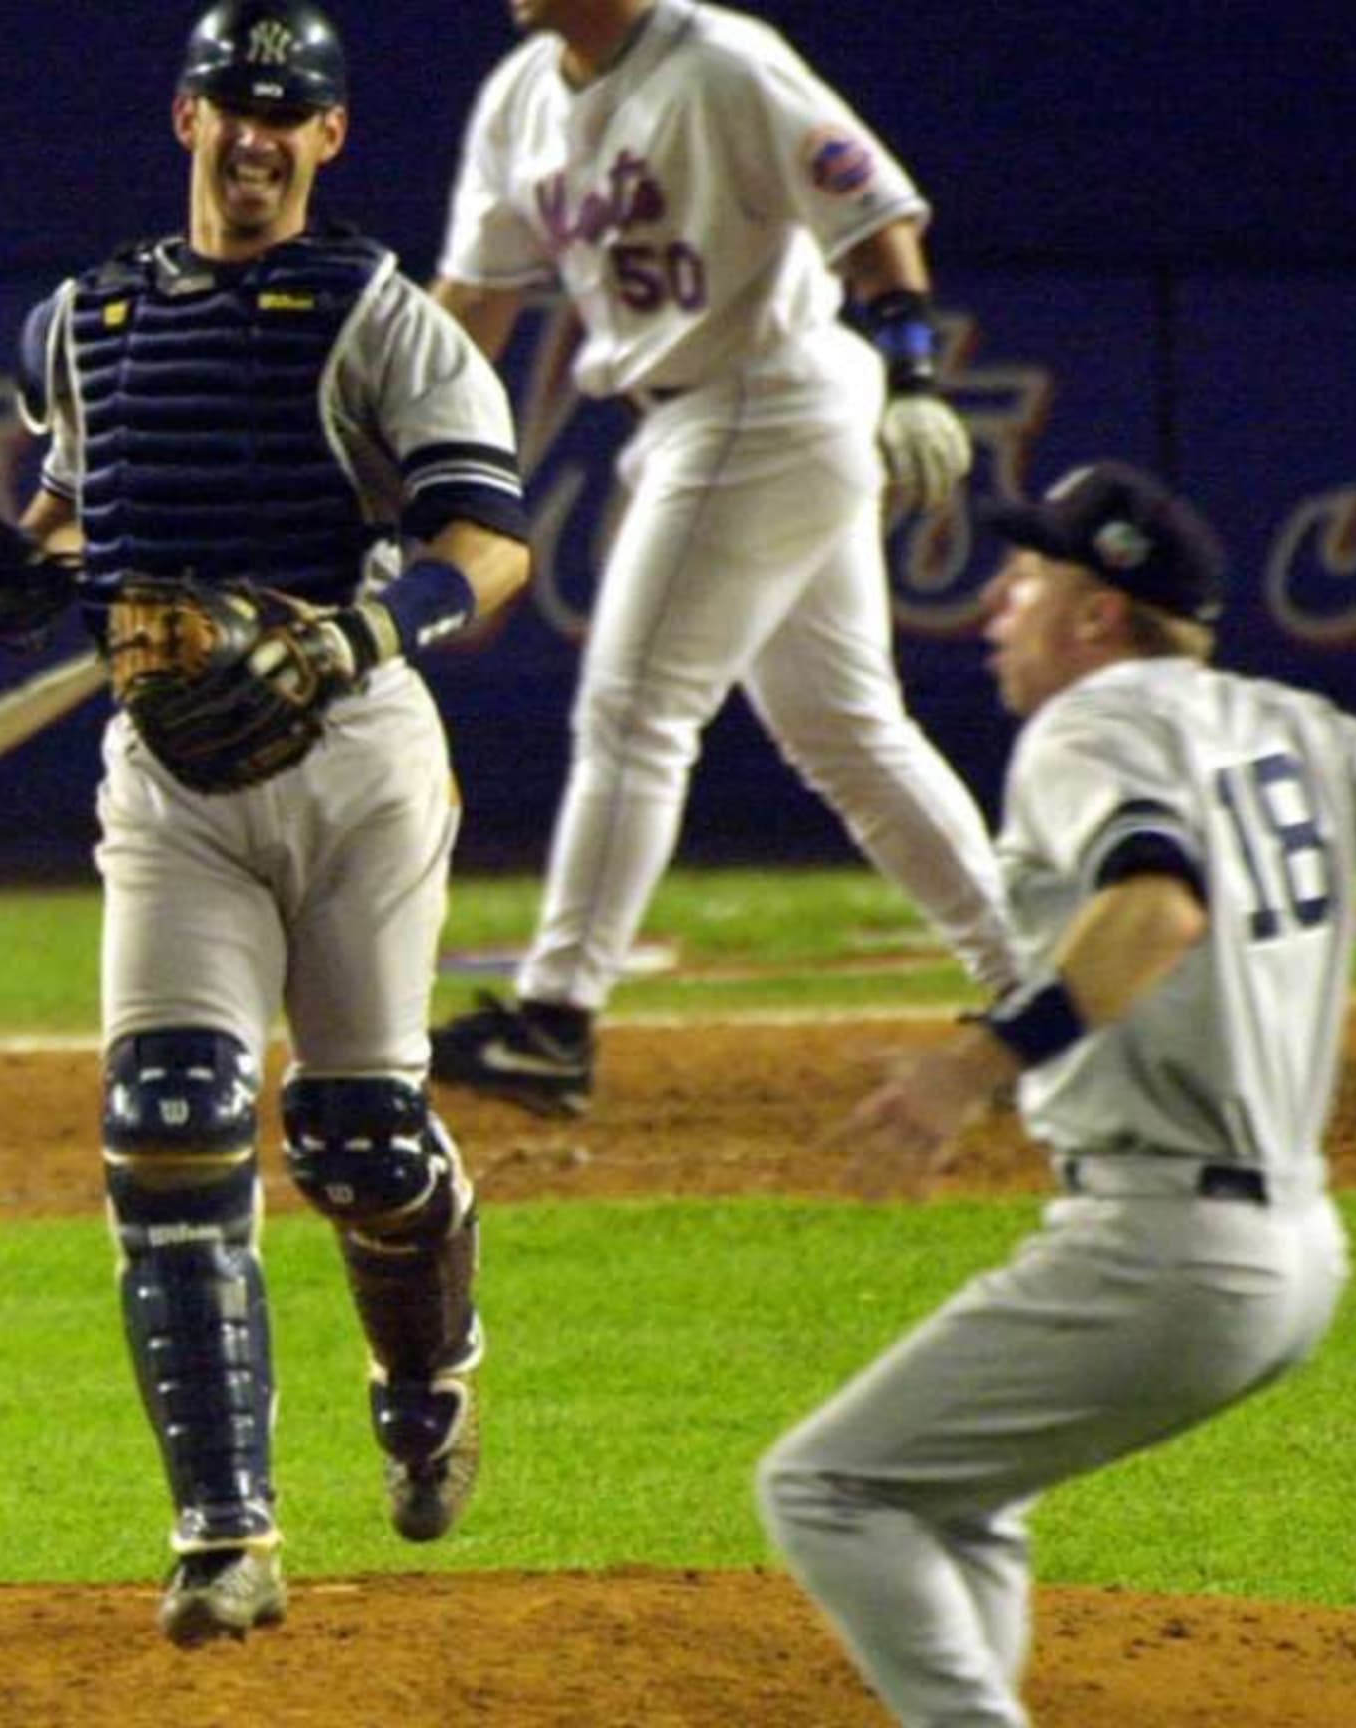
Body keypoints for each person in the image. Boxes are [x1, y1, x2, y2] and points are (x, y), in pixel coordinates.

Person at [8, 0, 534, 1647]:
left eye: (284, 109)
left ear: (327, 138)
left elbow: (487, 545)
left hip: (353, 749)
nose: (251, 130)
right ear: (182, 119)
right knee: (164, 1130)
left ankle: (423, 1365)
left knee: (359, 1142)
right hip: (169, 766)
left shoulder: (382, 314)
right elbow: (60, 521)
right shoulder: (80, 320)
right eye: (228, 101)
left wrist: (359, 634)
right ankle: (224, 1533)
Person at [756, 462, 1356, 1727]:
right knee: (958, 1496)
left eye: (1027, 580)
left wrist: (968, 1070)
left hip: (1167, 1249)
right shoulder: (1297, 722)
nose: (996, 609)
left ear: (1097, 617)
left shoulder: (1093, 725)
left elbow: (1155, 900)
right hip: (1296, 1251)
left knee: (826, 1487)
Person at [424, 0, 1017, 1118]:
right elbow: (474, 298)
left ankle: (555, 1018)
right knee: (846, 729)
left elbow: (872, 209)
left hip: (770, 393)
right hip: (696, 413)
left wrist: (918, 372)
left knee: (637, 710)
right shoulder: (520, 96)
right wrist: (390, 432)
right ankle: (1034, 988)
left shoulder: (722, 63)